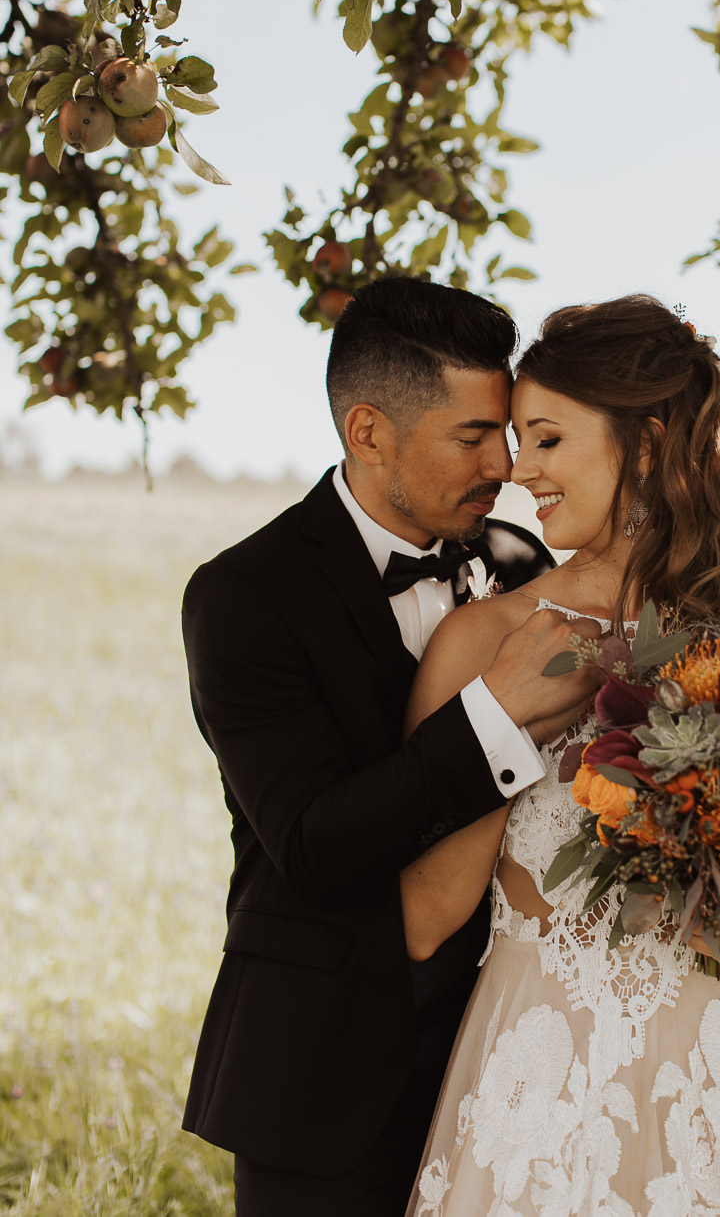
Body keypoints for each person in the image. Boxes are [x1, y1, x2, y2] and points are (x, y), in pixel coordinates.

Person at [403, 295, 720, 1216]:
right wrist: (508, 719)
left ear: (649, 445)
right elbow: (426, 917)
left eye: (546, 440)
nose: (516, 472)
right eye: (513, 440)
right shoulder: (479, 643)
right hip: (543, 1094)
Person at [180, 277, 604, 1216]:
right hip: (320, 1066)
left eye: (508, 432)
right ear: (368, 431)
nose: (503, 464)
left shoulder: (520, 568)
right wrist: (497, 712)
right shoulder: (243, 598)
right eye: (471, 437)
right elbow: (315, 844)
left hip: (510, 1057)